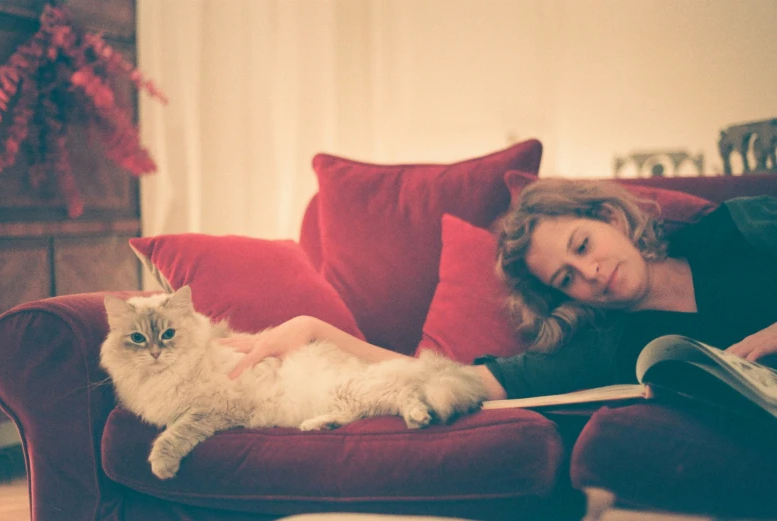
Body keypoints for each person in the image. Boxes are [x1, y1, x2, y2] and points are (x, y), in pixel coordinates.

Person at [223, 178, 777, 400]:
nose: (590, 274)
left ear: (611, 216)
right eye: (567, 279)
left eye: (582, 245)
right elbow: (455, 381)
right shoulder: (613, 347)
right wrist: (317, 332)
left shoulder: (734, 230)